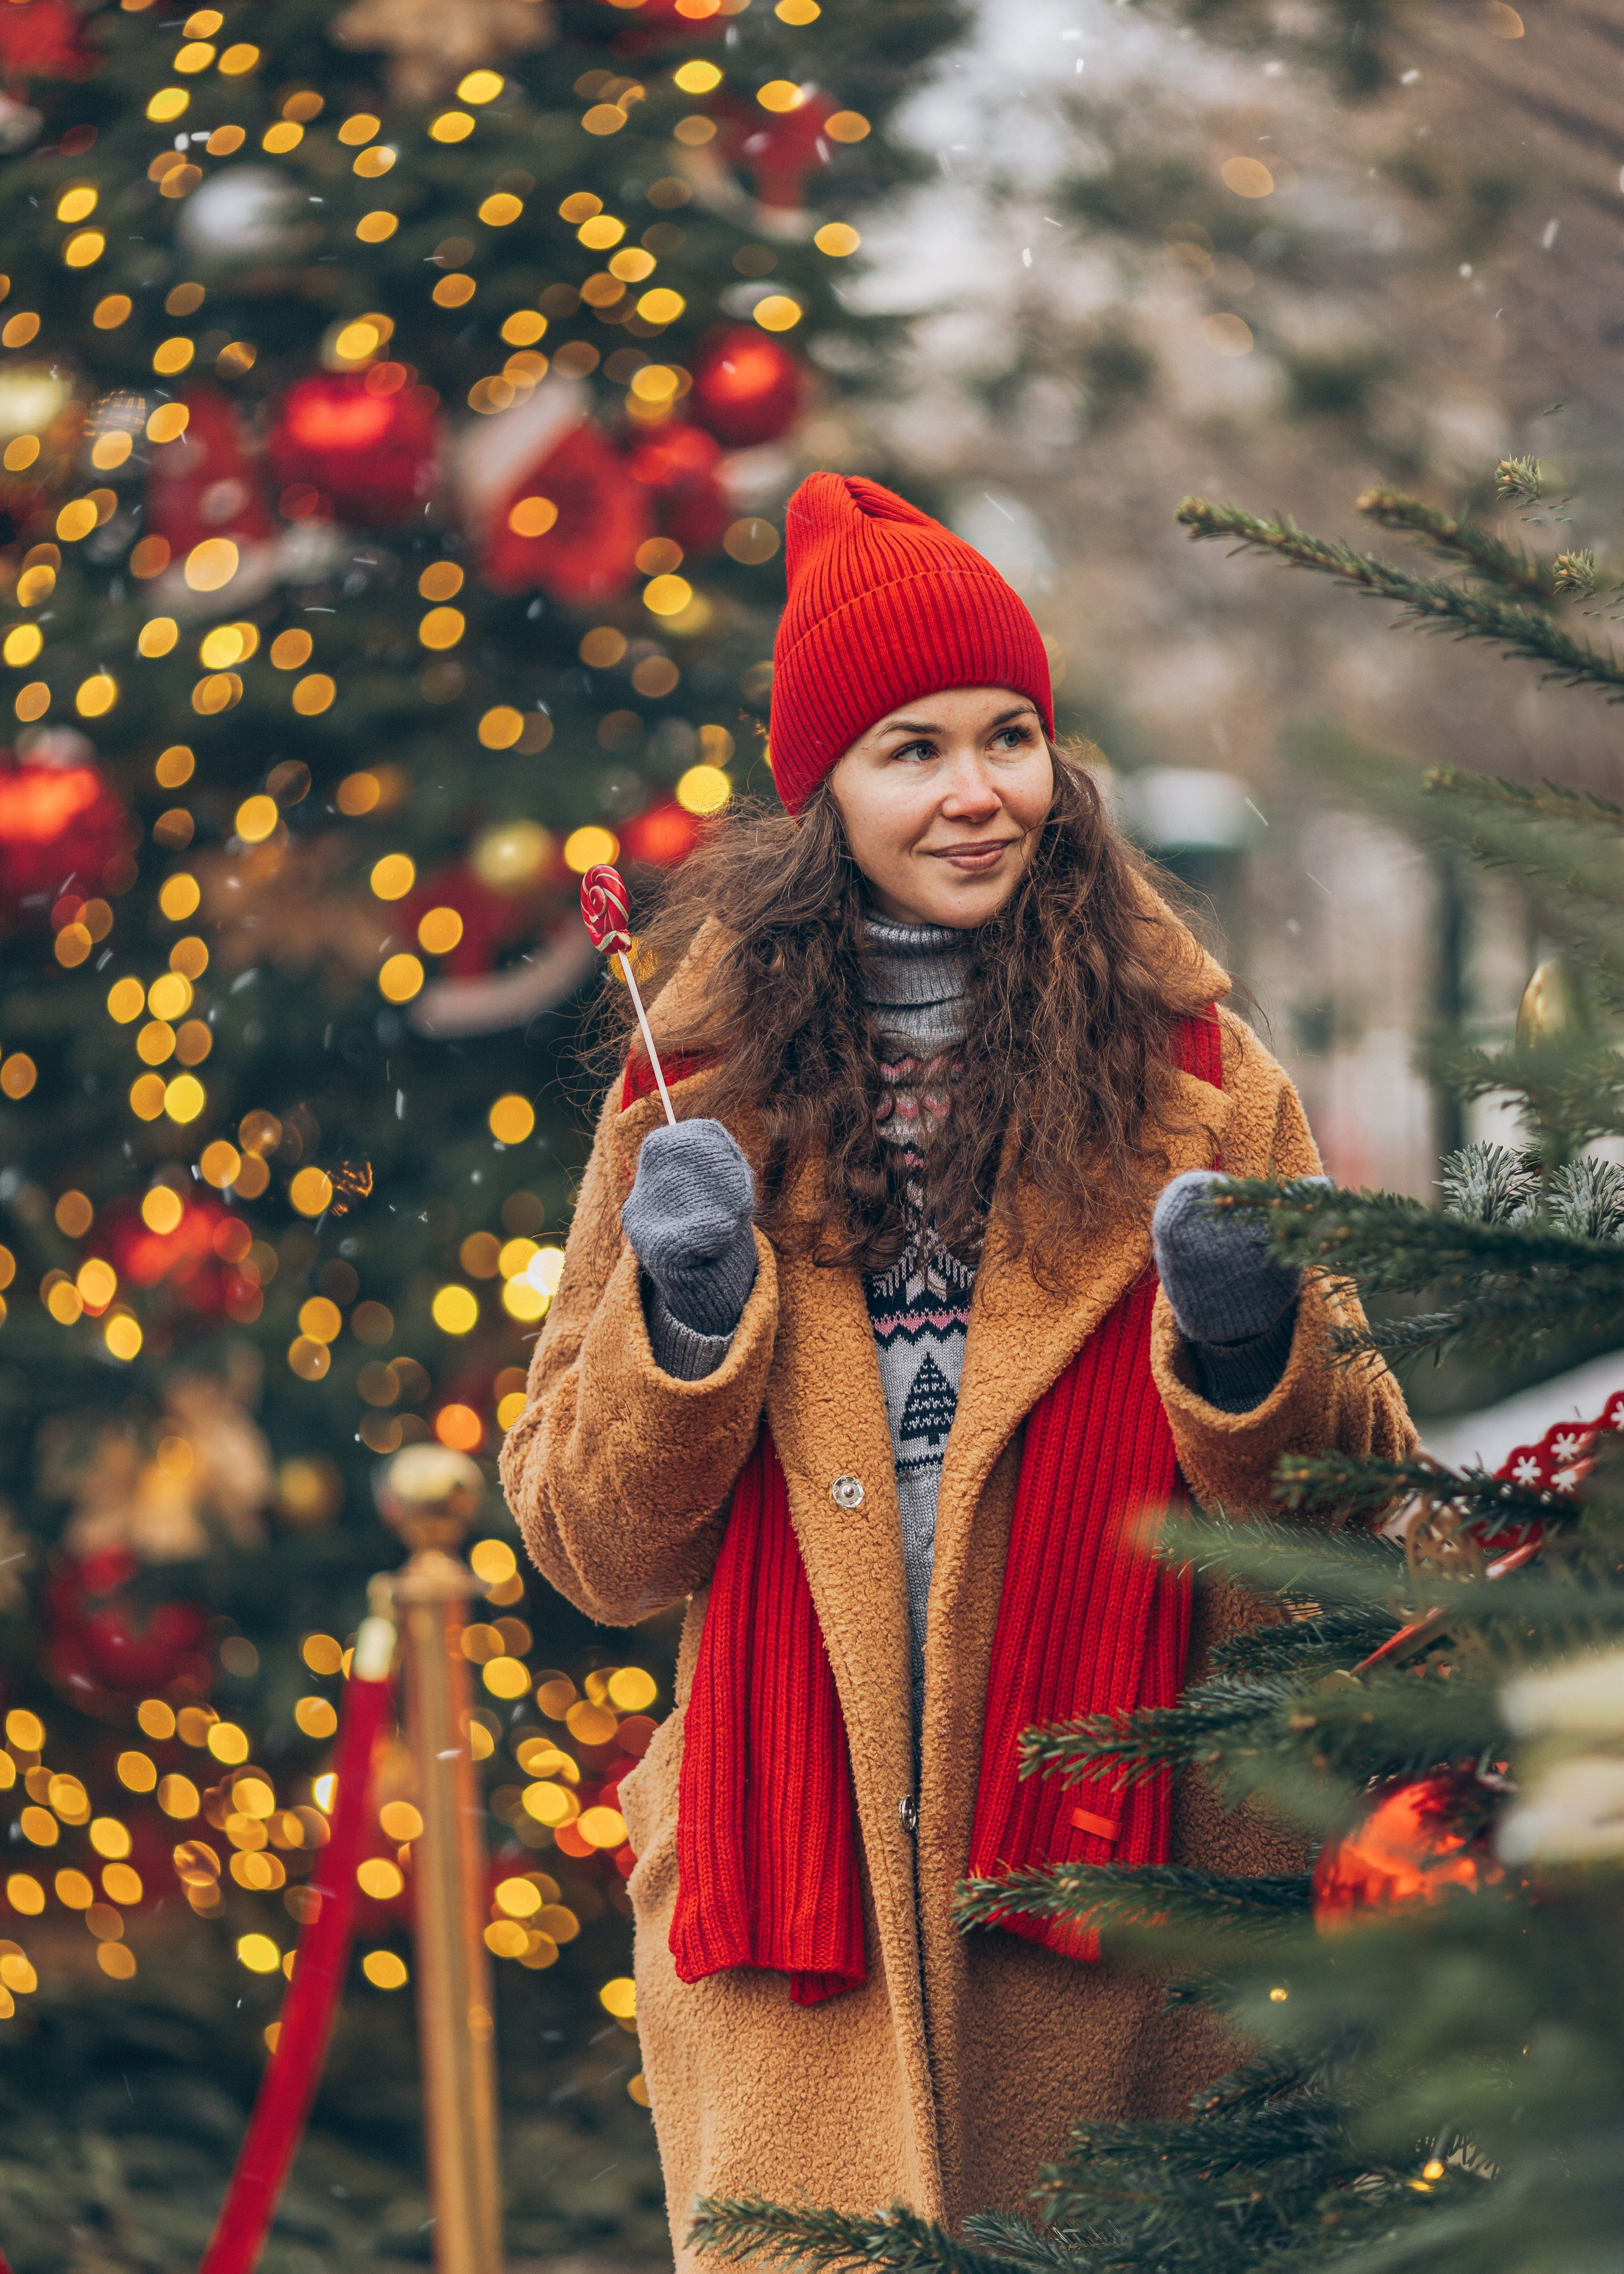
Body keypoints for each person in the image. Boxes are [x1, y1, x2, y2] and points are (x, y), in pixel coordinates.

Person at [500, 474, 1413, 2266]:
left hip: (1130, 1919)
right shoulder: (694, 1095)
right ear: (824, 791)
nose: (977, 791)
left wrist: (1245, 1341)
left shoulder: (1204, 1081)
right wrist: (682, 1325)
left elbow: (1360, 1512)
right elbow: (592, 1551)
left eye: (1010, 738)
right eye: (911, 749)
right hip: (797, 1922)